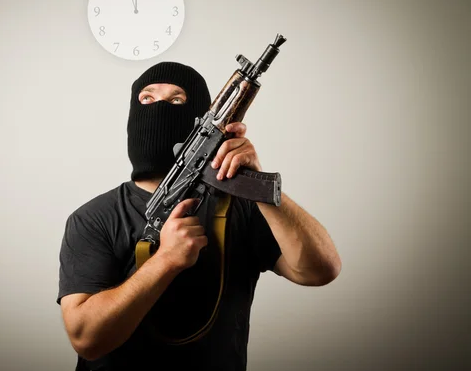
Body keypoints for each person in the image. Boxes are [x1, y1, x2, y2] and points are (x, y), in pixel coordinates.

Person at [57, 61, 342, 371]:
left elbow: (321, 270)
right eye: (147, 98)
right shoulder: (94, 217)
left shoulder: (241, 206)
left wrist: (260, 187)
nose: (160, 107)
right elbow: (86, 339)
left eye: (177, 99)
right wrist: (166, 260)